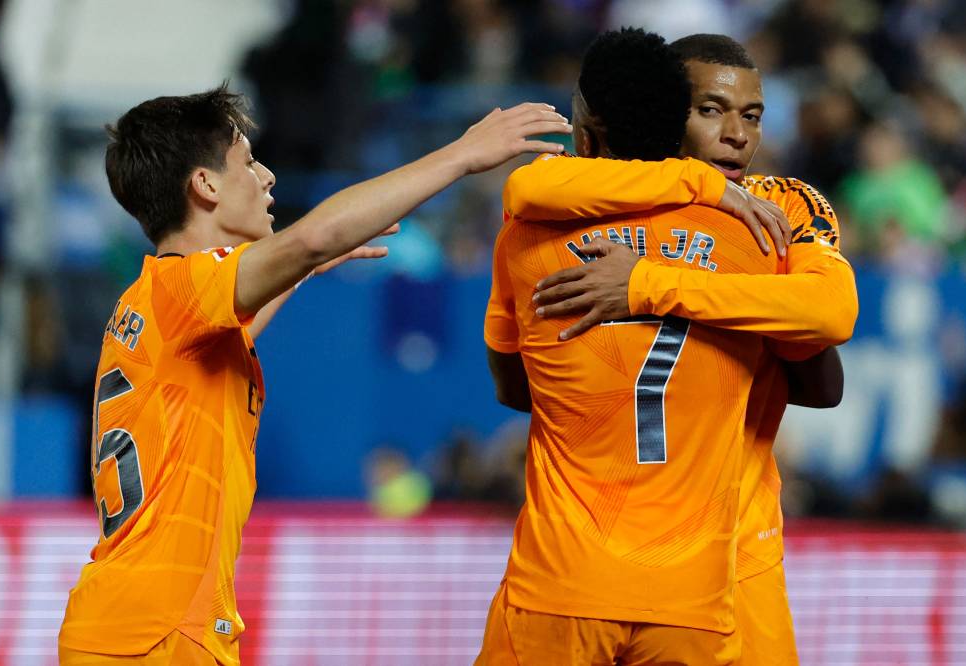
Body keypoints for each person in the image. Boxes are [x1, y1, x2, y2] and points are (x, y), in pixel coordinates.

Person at [57, 85, 571, 665]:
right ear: (204, 186)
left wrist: (298, 271)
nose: (268, 175)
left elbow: (274, 285)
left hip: (135, 627)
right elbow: (312, 236)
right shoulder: (183, 291)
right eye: (248, 162)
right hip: (158, 635)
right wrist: (463, 154)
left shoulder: (160, 304)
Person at [476, 28, 850, 665]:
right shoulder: (751, 237)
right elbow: (526, 189)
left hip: (737, 550)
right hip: (674, 574)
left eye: (752, 116)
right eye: (711, 110)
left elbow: (825, 374)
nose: (738, 135)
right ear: (664, 109)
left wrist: (648, 285)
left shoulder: (779, 207)